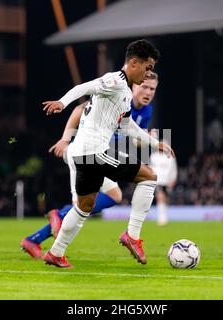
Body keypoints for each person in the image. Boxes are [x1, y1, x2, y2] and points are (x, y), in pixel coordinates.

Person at [41, 39, 174, 268]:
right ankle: (132, 236)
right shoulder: (115, 81)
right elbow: (84, 88)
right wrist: (62, 103)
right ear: (133, 63)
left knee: (84, 207)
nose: (148, 73)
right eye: (148, 67)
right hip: (94, 152)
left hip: (83, 155)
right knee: (150, 177)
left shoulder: (123, 94)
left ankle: (55, 253)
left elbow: (127, 126)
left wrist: (154, 143)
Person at [20, 72, 160, 259]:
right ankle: (55, 243)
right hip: (83, 153)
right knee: (80, 207)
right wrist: (64, 139)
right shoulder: (117, 95)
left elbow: (132, 137)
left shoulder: (146, 110)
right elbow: (79, 110)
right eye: (145, 86)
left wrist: (149, 140)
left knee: (114, 195)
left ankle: (34, 239)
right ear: (134, 86)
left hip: (101, 156)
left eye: (152, 89)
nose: (148, 92)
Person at [149, 137, 178, 226]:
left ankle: (164, 216)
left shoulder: (170, 157)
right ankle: (161, 218)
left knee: (165, 199)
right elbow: (150, 168)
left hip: (167, 181)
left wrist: (173, 179)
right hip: (158, 181)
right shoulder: (153, 157)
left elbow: (174, 170)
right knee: (160, 197)